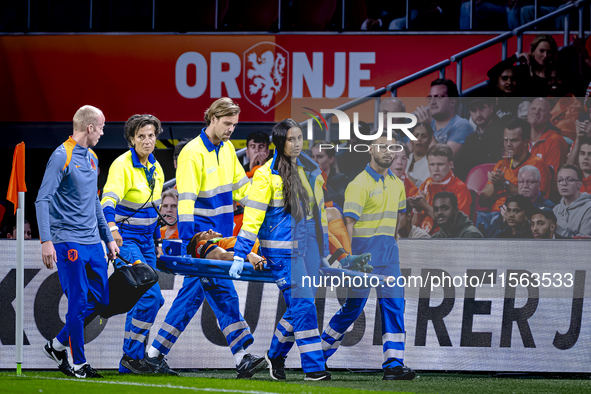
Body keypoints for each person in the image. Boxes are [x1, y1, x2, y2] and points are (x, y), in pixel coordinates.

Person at [145, 98, 265, 378]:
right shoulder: (192, 153)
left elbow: (242, 190)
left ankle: (154, 354)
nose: (231, 130)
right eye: (227, 124)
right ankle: (241, 355)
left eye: (234, 125)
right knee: (223, 293)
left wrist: (265, 202)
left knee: (194, 296)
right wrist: (188, 243)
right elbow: (185, 201)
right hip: (200, 239)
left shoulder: (227, 152)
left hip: (219, 236)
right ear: (212, 119)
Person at [232, 119, 331, 381]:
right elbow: (252, 218)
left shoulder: (309, 171)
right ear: (279, 142)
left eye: (299, 138)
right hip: (282, 254)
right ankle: (314, 369)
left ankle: (275, 354)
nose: (297, 144)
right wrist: (240, 253)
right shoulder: (265, 175)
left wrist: (326, 250)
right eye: (291, 139)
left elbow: (316, 217)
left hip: (307, 252)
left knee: (298, 307)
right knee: (305, 305)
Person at [320, 134, 415, 381]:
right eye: (382, 147)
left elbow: (398, 219)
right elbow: (347, 226)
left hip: (389, 257)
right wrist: (350, 261)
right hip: (363, 259)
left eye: (391, 148)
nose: (387, 152)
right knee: (353, 308)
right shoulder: (359, 184)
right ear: (370, 150)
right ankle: (318, 355)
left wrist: (393, 245)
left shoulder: (397, 183)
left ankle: (394, 364)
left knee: (395, 305)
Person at [36, 105, 118, 379]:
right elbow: (42, 199)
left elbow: (94, 201)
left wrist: (108, 238)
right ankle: (79, 364)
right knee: (78, 301)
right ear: (90, 127)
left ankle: (58, 344)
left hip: (93, 242)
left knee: (101, 299)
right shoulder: (62, 156)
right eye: (102, 126)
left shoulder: (93, 158)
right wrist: (46, 240)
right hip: (67, 241)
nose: (104, 131)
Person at [100, 114, 167, 374]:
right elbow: (107, 201)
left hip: (147, 242)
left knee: (149, 300)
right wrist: (113, 231)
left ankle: (131, 359)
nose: (147, 141)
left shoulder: (157, 168)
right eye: (141, 136)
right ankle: (131, 356)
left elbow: (154, 208)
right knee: (150, 296)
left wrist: (158, 241)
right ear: (131, 139)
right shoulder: (122, 166)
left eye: (151, 135)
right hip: (125, 240)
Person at [478, 117, 551, 233]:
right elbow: (482, 201)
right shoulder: (501, 164)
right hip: (493, 214)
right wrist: (494, 184)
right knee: (475, 219)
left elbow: (536, 200)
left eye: (513, 140)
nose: (508, 145)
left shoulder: (537, 164)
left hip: (518, 217)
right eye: (505, 140)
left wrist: (505, 183)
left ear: (526, 142)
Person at [410, 144, 472, 235]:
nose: (435, 169)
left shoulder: (460, 188)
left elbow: (456, 226)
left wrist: (425, 206)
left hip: (445, 238)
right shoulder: (426, 184)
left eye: (440, 164)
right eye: (432, 164)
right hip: (421, 236)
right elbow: (413, 224)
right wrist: (417, 210)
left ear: (450, 164)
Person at [414, 79, 474, 157]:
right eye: (430, 97)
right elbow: (407, 152)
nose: (432, 102)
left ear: (452, 102)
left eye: (438, 97)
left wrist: (427, 129)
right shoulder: (426, 123)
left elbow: (444, 158)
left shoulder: (462, 126)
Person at [454, 98, 505, 181]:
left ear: (491, 108)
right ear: (470, 113)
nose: (478, 114)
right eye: (473, 110)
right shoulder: (470, 140)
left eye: (482, 108)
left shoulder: (504, 133)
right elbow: (461, 170)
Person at [187, 229, 266, 270]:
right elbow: (221, 256)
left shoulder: (222, 242)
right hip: (262, 253)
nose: (210, 230)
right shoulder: (201, 244)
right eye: (204, 234)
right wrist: (248, 255)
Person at [527, 98, 569, 173]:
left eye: (542, 110)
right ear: (527, 113)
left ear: (550, 117)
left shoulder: (555, 141)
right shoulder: (521, 139)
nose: (536, 112)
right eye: (533, 108)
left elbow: (553, 177)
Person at [553, 164, 591, 238]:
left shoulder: (588, 209)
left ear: (579, 184)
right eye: (560, 180)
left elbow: (583, 243)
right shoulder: (555, 210)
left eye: (570, 180)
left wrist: (558, 229)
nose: (564, 184)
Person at [311, 141, 350, 209]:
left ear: (331, 159)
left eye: (320, 157)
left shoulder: (342, 180)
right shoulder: (308, 180)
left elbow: (339, 200)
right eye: (312, 156)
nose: (315, 161)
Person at [405, 122, 435, 187]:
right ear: (410, 139)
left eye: (424, 136)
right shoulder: (404, 159)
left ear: (430, 140)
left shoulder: (433, 162)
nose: (419, 139)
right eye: (416, 135)